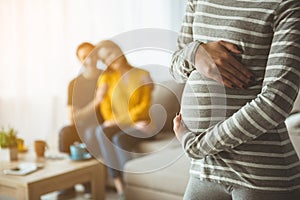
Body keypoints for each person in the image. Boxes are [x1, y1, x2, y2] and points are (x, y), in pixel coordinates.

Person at [171, 1, 300, 200]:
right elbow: (175, 65)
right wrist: (196, 53)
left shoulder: (286, 4)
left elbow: (275, 102)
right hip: (204, 169)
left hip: (260, 175)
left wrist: (198, 146)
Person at [93, 40, 154, 199]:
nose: (110, 60)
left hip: (143, 125)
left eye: (111, 54)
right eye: (105, 59)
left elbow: (144, 107)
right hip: (127, 124)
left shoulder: (143, 74)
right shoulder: (105, 79)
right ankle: (120, 184)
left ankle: (130, 185)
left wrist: (123, 120)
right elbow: (106, 110)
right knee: (101, 131)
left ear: (119, 50)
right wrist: (125, 120)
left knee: (119, 138)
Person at [58, 42, 103, 199]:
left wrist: (82, 112)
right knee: (65, 133)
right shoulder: (74, 84)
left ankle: (89, 183)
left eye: (91, 55)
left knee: (91, 133)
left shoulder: (106, 77)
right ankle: (67, 184)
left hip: (101, 125)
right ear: (79, 60)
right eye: (84, 57)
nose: (89, 60)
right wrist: (96, 103)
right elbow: (72, 118)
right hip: (80, 125)